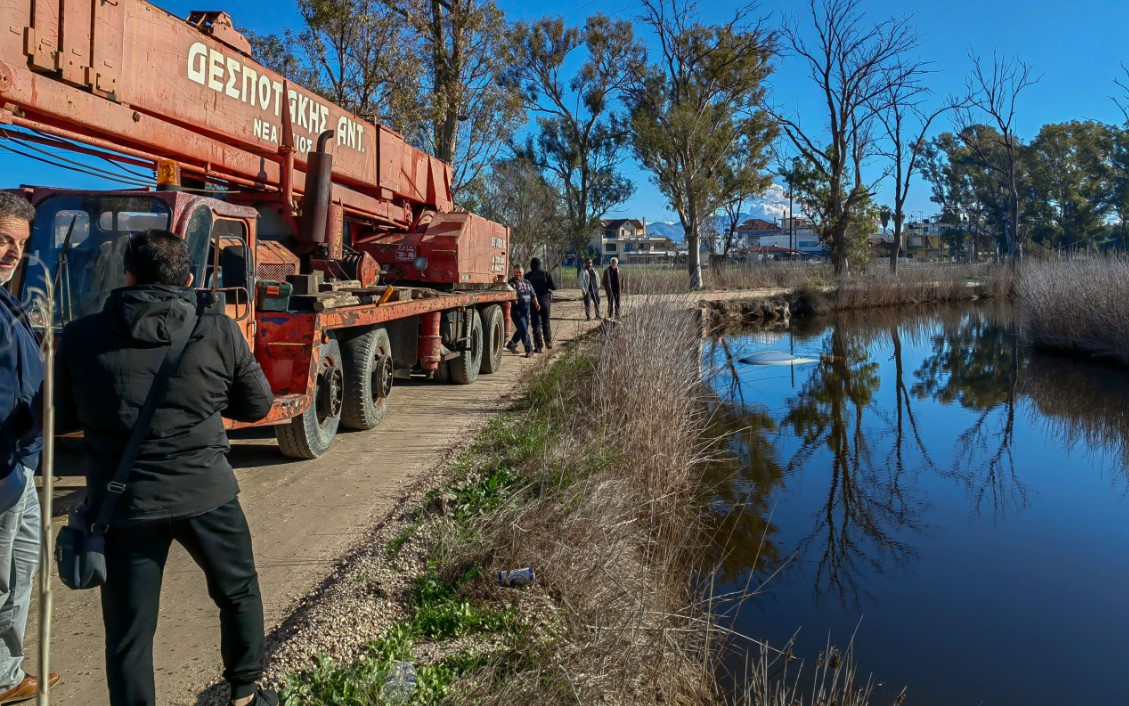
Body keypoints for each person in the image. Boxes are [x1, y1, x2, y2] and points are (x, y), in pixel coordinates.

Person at [54, 230, 277, 706]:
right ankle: (243, 697)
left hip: (123, 504)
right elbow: (258, 406)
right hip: (208, 494)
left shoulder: (81, 336)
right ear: (191, 278)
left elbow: (61, 414)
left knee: (129, 634)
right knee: (237, 592)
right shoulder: (216, 330)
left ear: (128, 276)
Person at [0, 192, 59, 703]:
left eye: (19, 243)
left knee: (20, 571)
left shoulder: (8, 299)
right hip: (5, 471)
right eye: (2, 239)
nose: (11, 253)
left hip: (20, 465)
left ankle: (7, 674)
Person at [505, 264, 539, 358]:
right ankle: (529, 350)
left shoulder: (527, 282)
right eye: (516, 272)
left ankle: (511, 344)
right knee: (524, 330)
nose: (518, 274)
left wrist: (536, 303)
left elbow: (532, 294)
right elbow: (508, 294)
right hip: (516, 311)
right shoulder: (511, 283)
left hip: (526, 311)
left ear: (523, 273)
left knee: (522, 329)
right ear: (513, 272)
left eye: (520, 272)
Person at [524, 257, 556, 352]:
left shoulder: (527, 276)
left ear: (531, 265)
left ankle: (538, 346)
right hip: (545, 301)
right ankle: (548, 342)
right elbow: (554, 287)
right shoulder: (546, 274)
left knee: (536, 324)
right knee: (546, 322)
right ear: (540, 264)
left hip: (533, 302)